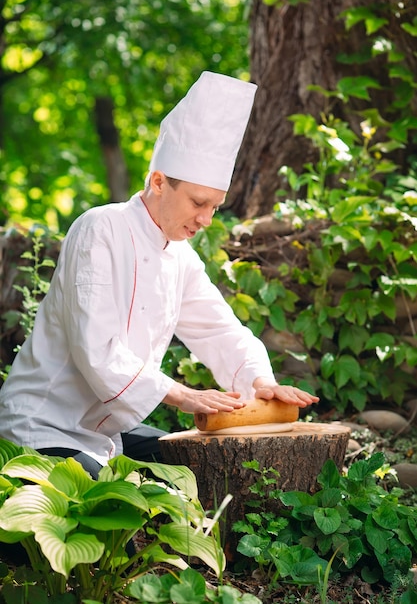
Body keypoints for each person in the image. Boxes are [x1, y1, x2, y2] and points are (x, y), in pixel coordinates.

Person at [0, 71, 319, 479]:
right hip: (40, 428)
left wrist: (259, 381)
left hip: (105, 434)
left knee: (198, 469)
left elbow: (220, 330)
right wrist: (184, 395)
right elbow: (96, 349)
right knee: (135, 499)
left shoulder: (181, 257)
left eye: (215, 208)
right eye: (198, 202)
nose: (205, 219)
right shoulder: (99, 228)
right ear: (158, 182)